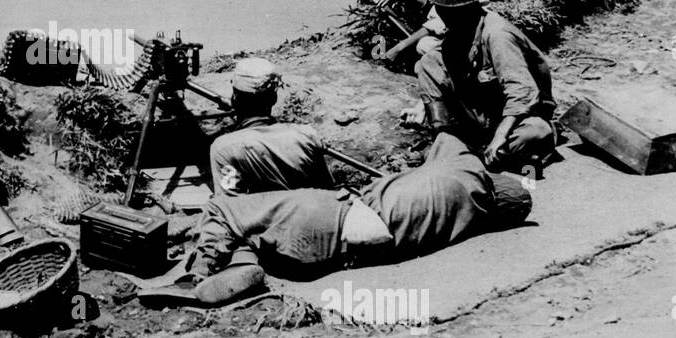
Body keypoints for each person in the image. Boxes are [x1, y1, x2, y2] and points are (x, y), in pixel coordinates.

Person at [163, 132, 532, 304]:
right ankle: (244, 263)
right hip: (339, 252)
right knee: (256, 229)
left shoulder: (467, 169)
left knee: (222, 207)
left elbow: (447, 138)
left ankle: (197, 272)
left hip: (337, 211)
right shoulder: (469, 220)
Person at [414, 0, 557, 171]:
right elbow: (441, 70)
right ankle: (449, 144)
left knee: (536, 133)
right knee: (427, 62)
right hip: (481, 117)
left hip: (517, 119)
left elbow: (522, 93)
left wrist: (500, 136)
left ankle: (475, 154)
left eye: (451, 11)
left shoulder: (497, 34)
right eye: (442, 10)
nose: (445, 16)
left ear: (470, 8)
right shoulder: (460, 31)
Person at [209, 57, 334, 196]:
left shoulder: (224, 148)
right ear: (274, 99)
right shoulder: (306, 136)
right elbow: (327, 192)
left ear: (235, 98)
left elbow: (229, 207)